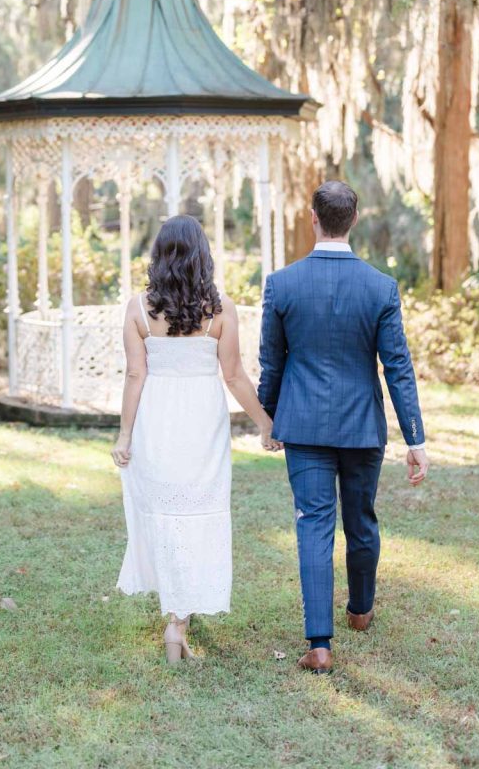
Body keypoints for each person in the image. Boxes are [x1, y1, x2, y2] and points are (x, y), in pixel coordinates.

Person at [258, 180, 429, 674]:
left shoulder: (282, 283)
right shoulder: (380, 286)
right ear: (354, 219)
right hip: (361, 427)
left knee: (313, 523)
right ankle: (360, 610)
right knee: (361, 520)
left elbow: (272, 361)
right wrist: (415, 439)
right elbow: (397, 366)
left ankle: (319, 644)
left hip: (304, 425)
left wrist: (270, 418)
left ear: (312, 217)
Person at [111, 214, 279, 662]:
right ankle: (177, 622)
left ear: (159, 255)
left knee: (167, 511)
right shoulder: (220, 309)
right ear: (203, 255)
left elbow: (134, 373)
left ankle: (178, 613)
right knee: (198, 511)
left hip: (156, 420)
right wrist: (264, 422)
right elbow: (235, 375)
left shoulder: (137, 308)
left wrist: (125, 435)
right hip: (202, 422)